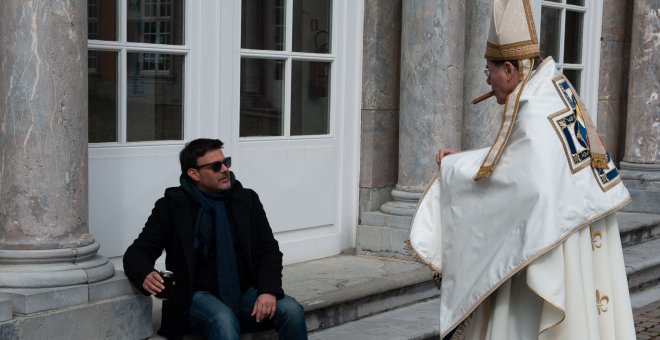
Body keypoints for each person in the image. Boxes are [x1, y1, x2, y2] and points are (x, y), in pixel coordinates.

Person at [409, 0, 636, 339]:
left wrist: (452, 167)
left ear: (510, 71)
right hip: (576, 224)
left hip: (554, 239)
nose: (489, 81)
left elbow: (523, 184)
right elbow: (523, 159)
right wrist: (468, 159)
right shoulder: (552, 89)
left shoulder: (531, 108)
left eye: (489, 71)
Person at [123, 138, 308, 340]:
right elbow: (137, 252)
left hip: (245, 293)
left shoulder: (246, 199)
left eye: (225, 162)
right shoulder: (172, 206)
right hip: (196, 298)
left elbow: (268, 250)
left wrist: (268, 291)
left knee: (291, 310)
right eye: (215, 166)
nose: (224, 169)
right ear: (194, 174)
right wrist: (145, 274)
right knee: (223, 320)